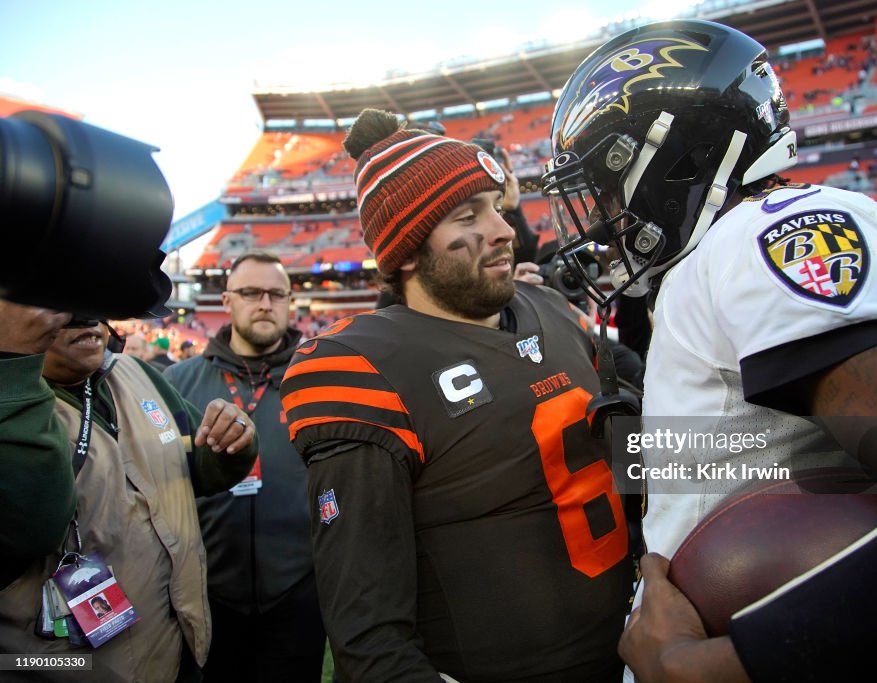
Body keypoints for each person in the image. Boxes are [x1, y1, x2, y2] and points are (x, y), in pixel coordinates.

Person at [541, 19, 877, 682]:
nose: (599, 211)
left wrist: (717, 665)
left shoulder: (760, 234)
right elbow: (835, 448)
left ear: (670, 155)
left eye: (605, 179)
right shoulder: (717, 254)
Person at [280, 108, 634, 682]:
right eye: (468, 215)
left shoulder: (547, 305)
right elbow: (370, 639)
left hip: (631, 648)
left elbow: (636, 438)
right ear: (409, 249)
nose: (502, 229)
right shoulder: (363, 367)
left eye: (495, 206)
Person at [0, 300, 259, 682]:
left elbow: (197, 470)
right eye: (57, 304)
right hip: (63, 668)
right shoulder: (11, 399)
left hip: (178, 644)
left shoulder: (137, 373)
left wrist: (233, 443)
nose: (84, 318)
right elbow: (31, 525)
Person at [163, 251, 326, 682]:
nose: (264, 304)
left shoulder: (318, 378)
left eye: (276, 294)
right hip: (208, 591)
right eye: (251, 292)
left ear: (291, 302)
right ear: (227, 301)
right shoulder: (178, 382)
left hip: (299, 591)